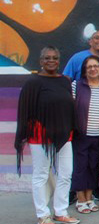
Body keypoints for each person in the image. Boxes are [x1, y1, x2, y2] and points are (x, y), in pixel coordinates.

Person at [15, 46, 79, 224]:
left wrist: (71, 128)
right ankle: (43, 215)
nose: (51, 61)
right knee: (41, 175)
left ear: (59, 61)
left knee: (66, 174)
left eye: (55, 58)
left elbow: (69, 108)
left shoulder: (65, 81)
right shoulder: (33, 82)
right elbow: (25, 110)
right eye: (47, 58)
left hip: (64, 135)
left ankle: (61, 211)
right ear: (40, 61)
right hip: (40, 136)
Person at [72, 55, 99, 214]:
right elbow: (70, 107)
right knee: (80, 166)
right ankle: (80, 199)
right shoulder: (77, 85)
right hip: (81, 134)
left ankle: (89, 197)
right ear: (85, 70)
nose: (93, 69)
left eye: (96, 66)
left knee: (93, 166)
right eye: (89, 67)